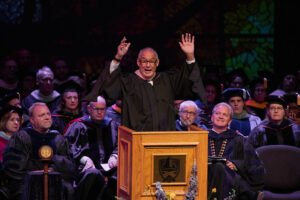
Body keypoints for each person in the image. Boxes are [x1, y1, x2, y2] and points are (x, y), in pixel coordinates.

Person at [88, 33, 205, 131]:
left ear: (157, 63)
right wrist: (118, 57)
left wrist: (190, 56)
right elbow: (108, 82)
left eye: (151, 61)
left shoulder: (167, 80)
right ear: (138, 63)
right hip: (137, 141)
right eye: (144, 61)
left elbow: (188, 81)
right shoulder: (128, 82)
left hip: (164, 140)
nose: (148, 65)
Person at [2, 102, 75, 200]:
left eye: (48, 114)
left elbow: (69, 166)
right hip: (27, 183)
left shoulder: (59, 139)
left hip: (56, 182)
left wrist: (53, 170)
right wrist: (38, 174)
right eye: (41, 115)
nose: (47, 117)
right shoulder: (21, 138)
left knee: (68, 189)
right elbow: (13, 168)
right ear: (32, 120)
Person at [64, 96, 119, 200]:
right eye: (96, 109)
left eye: (102, 109)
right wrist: (84, 159)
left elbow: (121, 144)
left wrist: (115, 155)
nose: (99, 112)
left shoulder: (112, 124)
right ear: (89, 109)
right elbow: (68, 147)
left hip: (110, 170)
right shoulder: (78, 125)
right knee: (93, 174)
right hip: (87, 170)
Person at [208, 102, 264, 200]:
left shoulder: (237, 139)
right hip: (206, 175)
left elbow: (244, 162)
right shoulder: (201, 138)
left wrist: (235, 165)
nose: (221, 116)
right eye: (218, 113)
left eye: (225, 115)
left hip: (229, 178)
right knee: (218, 167)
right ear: (212, 117)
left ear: (229, 121)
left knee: (224, 170)